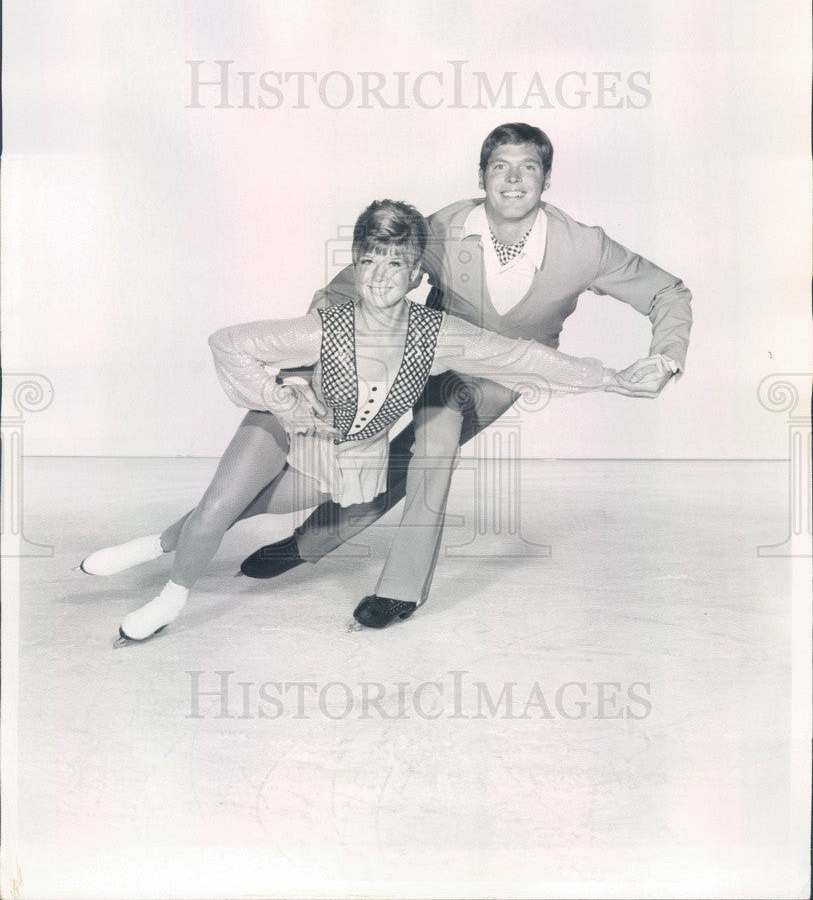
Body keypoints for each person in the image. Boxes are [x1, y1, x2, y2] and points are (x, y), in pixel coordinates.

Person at [81, 199, 631, 642]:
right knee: (221, 504)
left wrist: (610, 377)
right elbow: (229, 344)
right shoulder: (325, 325)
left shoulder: (440, 335)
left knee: (239, 509)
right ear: (355, 262)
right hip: (287, 421)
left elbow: (524, 358)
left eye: (395, 263)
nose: (380, 276)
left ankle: (156, 543)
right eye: (369, 260)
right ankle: (169, 600)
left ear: (416, 273)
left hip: (346, 455)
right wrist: (281, 399)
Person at [238, 123, 693, 628]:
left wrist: (666, 356)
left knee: (432, 446)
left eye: (529, 168)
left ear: (547, 178)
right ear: (482, 176)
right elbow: (350, 282)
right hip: (435, 356)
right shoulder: (447, 227)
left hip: (508, 372)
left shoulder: (585, 248)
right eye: (500, 167)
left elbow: (667, 292)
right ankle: (307, 541)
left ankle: (391, 584)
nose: (514, 180)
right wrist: (312, 363)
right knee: (396, 454)